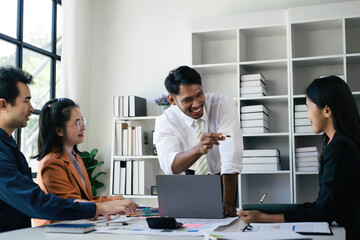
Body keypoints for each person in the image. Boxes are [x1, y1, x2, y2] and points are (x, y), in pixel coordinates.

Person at [0, 66, 138, 232]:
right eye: (26, 101)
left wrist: (109, 203)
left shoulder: (11, 148)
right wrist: (98, 208)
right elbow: (36, 201)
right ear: (3, 104)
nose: (31, 107)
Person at [238, 76, 360, 240]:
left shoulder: (339, 148)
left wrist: (264, 218)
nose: (307, 115)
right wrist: (271, 211)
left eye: (308, 108)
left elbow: (323, 213)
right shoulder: (340, 143)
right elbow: (322, 205)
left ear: (326, 111)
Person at [154, 65, 243, 216]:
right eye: (188, 100)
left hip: (223, 180)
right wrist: (198, 149)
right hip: (186, 184)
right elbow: (170, 166)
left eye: (199, 94)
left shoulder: (222, 104)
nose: (196, 104)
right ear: (172, 100)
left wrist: (228, 202)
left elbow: (231, 154)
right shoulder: (165, 121)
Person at [32, 98, 126, 226]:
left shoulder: (75, 157)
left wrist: (115, 200)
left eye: (83, 120)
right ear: (59, 130)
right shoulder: (51, 163)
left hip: (77, 226)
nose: (83, 127)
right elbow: (72, 204)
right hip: (57, 230)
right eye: (77, 123)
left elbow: (87, 201)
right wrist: (112, 205)